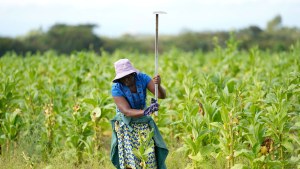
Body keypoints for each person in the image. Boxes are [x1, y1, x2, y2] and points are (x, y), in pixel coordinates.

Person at [110, 58, 168, 169]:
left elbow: (161, 95)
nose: (126, 80)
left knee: (149, 154)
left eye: (129, 76)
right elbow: (126, 111)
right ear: (119, 79)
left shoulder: (142, 78)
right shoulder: (116, 88)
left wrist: (158, 85)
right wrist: (147, 111)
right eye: (123, 78)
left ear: (133, 74)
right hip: (126, 125)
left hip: (143, 122)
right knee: (131, 158)